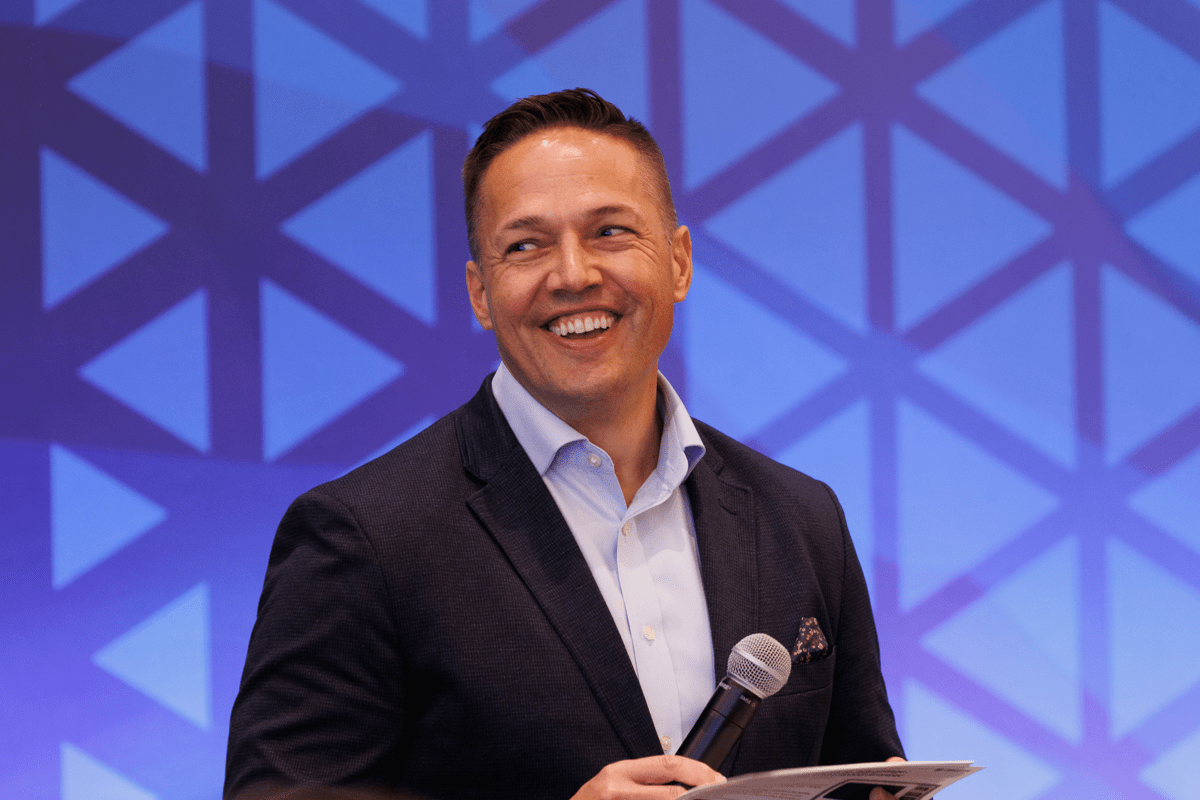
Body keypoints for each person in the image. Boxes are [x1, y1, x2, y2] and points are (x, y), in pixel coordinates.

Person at [225, 88, 904, 800]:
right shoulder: (363, 537)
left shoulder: (801, 518)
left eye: (610, 232)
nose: (574, 275)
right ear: (480, 293)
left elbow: (861, 771)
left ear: (678, 261)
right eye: (526, 245)